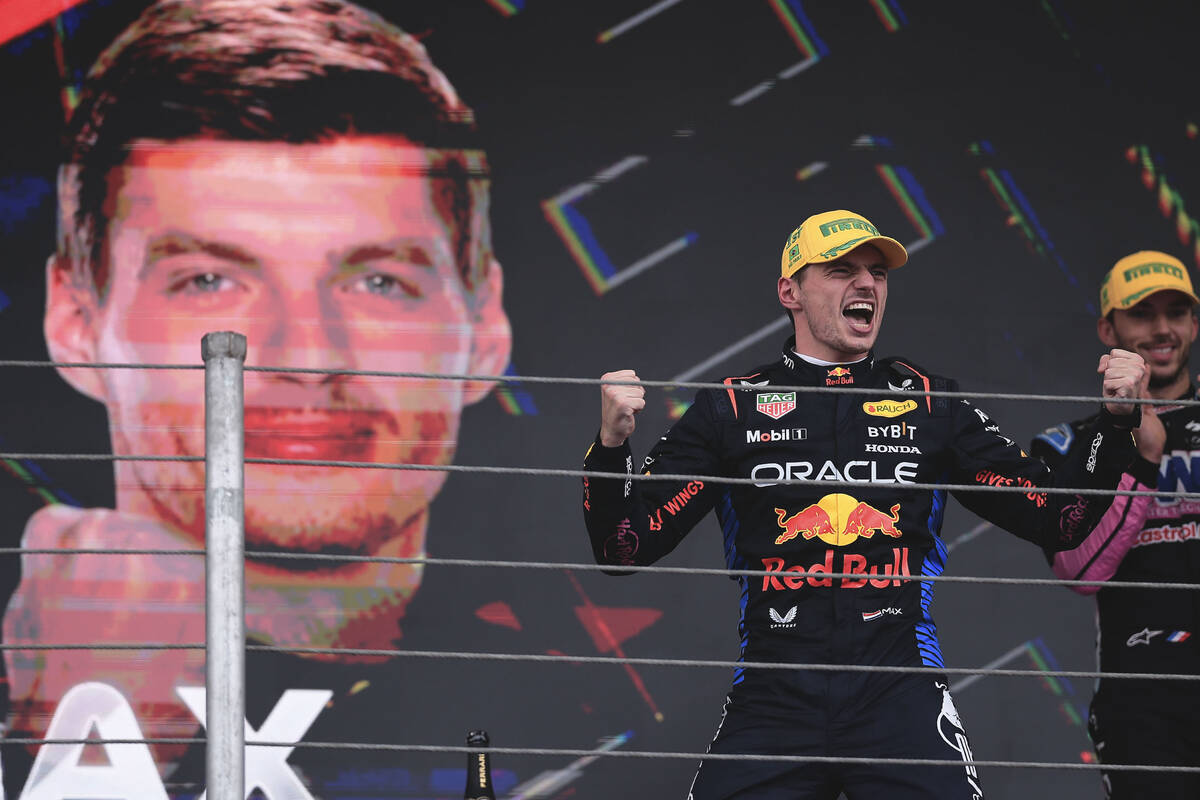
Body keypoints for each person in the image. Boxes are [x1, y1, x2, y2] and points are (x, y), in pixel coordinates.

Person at [2, 0, 512, 794]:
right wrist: (85, 739)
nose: (307, 356)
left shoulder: (668, 693)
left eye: (380, 281)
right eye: (209, 281)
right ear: (74, 321)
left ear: (484, 329)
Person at [581, 209, 1146, 799]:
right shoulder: (732, 407)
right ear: (790, 291)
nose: (866, 284)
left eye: (877, 273)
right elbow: (624, 547)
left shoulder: (932, 403)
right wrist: (611, 446)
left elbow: (1062, 520)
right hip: (773, 700)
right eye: (841, 269)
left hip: (899, 692)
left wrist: (1113, 425)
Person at [1031, 251, 1200, 798]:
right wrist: (1143, 457)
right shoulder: (1069, 445)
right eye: (1141, 314)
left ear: (1194, 324)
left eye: (1177, 312)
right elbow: (1078, 570)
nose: (1161, 329)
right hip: (1143, 697)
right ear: (1109, 328)